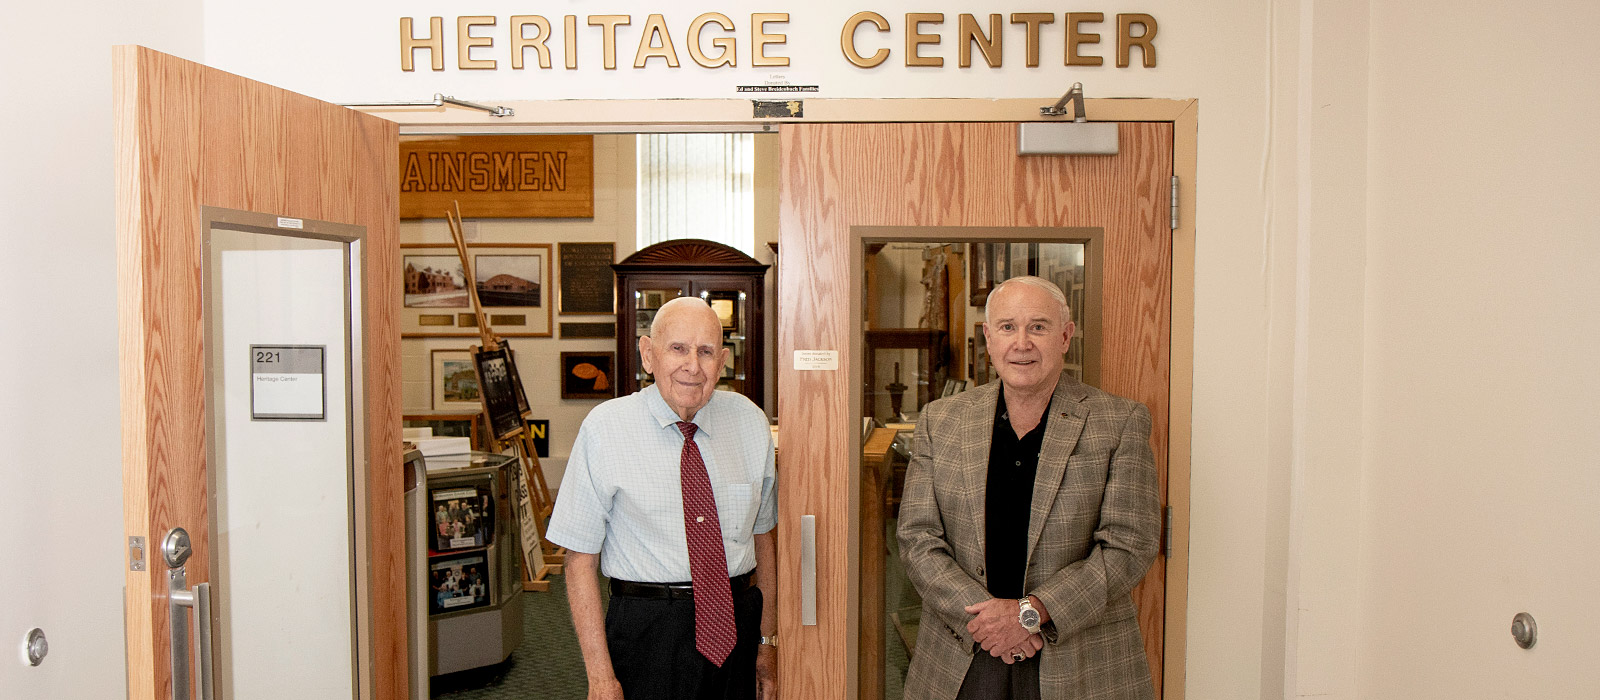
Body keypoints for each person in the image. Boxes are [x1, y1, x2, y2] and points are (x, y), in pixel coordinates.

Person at [897, 276, 1161, 700]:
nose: (1022, 343)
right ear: (988, 337)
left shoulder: (1119, 422)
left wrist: (1031, 613)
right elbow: (917, 537)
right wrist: (991, 622)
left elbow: (1130, 544)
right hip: (964, 651)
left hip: (1079, 658)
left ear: (1065, 336)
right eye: (1007, 327)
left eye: (1038, 326)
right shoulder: (941, 420)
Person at [548, 297, 778, 700]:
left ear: (722, 361)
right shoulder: (605, 429)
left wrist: (766, 642)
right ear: (647, 354)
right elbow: (578, 562)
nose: (693, 365)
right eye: (678, 349)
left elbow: (764, 540)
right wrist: (600, 678)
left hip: (737, 625)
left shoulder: (750, 423)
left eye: (706, 352)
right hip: (647, 633)